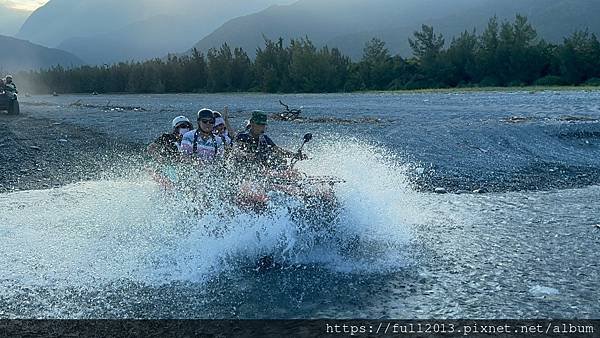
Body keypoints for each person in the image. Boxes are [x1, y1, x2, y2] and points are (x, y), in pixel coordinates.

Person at [234, 110, 304, 169]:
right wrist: (245, 155)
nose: (261, 127)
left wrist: (294, 155)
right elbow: (236, 150)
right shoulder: (243, 136)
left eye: (263, 125)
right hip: (245, 166)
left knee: (281, 160)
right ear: (252, 123)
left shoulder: (264, 139)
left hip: (261, 167)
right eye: (259, 124)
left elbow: (277, 150)